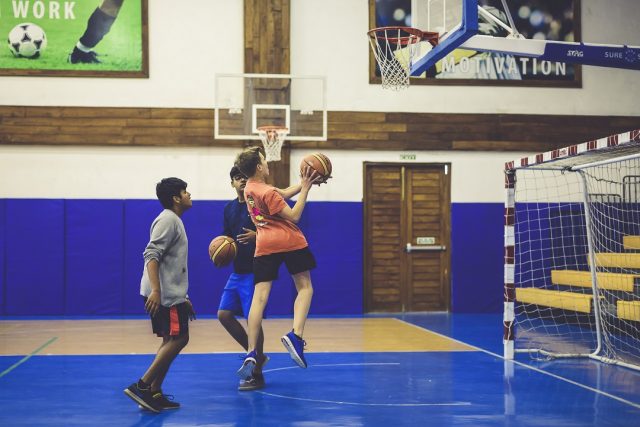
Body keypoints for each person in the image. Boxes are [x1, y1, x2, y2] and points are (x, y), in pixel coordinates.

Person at [234, 147, 321, 384]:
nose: (268, 163)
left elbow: (280, 192)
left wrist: (303, 182)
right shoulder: (268, 191)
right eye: (264, 160)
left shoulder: (250, 188)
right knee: (305, 288)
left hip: (264, 244)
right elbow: (293, 215)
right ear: (260, 167)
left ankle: (252, 352)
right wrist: (305, 190)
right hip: (289, 240)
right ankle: (296, 335)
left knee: (259, 299)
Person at [124, 177, 195, 413]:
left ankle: (154, 391)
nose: (189, 195)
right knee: (180, 338)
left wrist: (183, 296)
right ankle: (142, 386)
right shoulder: (168, 220)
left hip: (170, 293)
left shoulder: (173, 220)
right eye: (186, 192)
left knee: (170, 340)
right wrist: (156, 291)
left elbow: (171, 265)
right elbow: (151, 255)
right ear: (176, 198)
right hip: (163, 294)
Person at [218, 166, 268, 391]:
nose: (240, 181)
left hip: (255, 271)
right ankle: (257, 355)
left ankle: (256, 373)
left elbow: (271, 232)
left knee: (252, 319)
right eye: (236, 178)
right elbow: (227, 240)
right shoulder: (228, 209)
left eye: (244, 177)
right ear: (231, 183)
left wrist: (256, 235)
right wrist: (220, 251)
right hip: (237, 271)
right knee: (224, 315)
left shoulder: (254, 206)